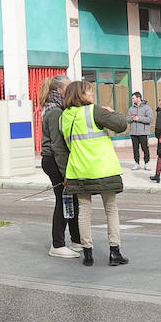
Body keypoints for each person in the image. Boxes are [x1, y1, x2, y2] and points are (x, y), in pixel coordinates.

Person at [56, 80, 128, 267]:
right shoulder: (94, 111)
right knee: (111, 209)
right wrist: (113, 113)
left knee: (84, 212)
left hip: (79, 171)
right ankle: (114, 252)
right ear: (80, 94)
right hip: (103, 168)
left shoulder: (64, 116)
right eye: (88, 91)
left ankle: (88, 254)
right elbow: (121, 125)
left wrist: (65, 173)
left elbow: (63, 148)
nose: (92, 94)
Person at [39, 76, 82, 258]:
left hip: (54, 160)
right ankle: (57, 244)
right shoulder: (56, 112)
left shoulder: (55, 108)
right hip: (54, 161)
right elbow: (58, 145)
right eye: (70, 87)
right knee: (64, 200)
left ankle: (76, 240)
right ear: (61, 90)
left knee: (71, 199)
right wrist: (66, 173)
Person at [128, 92, 153, 170]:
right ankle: (137, 163)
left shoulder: (147, 108)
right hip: (133, 133)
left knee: (145, 148)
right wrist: (132, 118)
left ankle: (147, 163)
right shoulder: (131, 109)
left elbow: (150, 119)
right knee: (135, 149)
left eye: (133, 98)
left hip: (143, 132)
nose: (132, 100)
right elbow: (127, 119)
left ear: (138, 98)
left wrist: (140, 118)